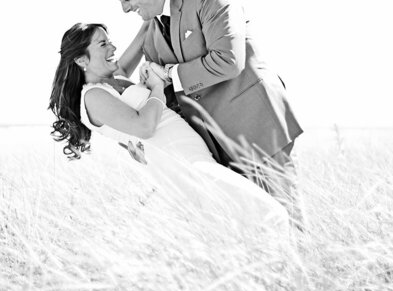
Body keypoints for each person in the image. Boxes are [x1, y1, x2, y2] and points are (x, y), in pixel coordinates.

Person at [104, 0, 304, 227]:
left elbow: (229, 60)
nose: (125, 9)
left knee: (289, 219)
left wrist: (168, 74)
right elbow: (151, 91)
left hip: (256, 124)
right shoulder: (151, 36)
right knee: (253, 227)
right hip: (215, 146)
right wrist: (141, 142)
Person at [49, 22, 288, 235]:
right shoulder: (93, 96)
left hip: (195, 159)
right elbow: (143, 127)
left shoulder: (117, 79)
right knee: (271, 214)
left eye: (110, 41)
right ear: (82, 60)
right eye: (103, 44)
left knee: (238, 229)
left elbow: (146, 30)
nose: (113, 48)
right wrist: (155, 87)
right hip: (182, 166)